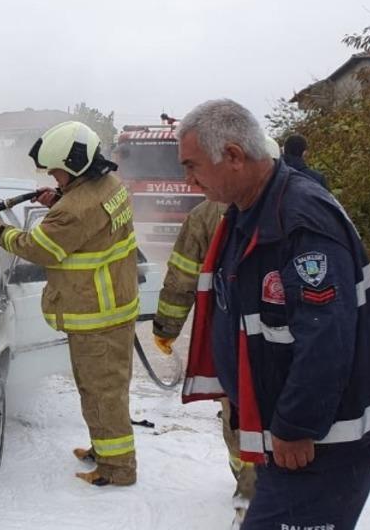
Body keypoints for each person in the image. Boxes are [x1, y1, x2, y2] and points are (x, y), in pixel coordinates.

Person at [176, 99, 370, 529]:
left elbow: (326, 337)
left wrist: (295, 426)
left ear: (233, 156)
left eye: (192, 166)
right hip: (291, 436)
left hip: (323, 441)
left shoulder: (301, 220)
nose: (188, 180)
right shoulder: (250, 213)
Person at [0, 121, 140, 487]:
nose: (54, 176)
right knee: (106, 388)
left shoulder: (75, 209)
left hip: (95, 314)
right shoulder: (109, 185)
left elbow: (39, 248)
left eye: (57, 172)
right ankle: (106, 449)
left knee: (101, 391)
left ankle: (117, 470)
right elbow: (89, 225)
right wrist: (60, 199)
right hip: (114, 305)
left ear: (76, 167)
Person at [151, 199, 257, 523]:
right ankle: (256, 486)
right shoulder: (294, 204)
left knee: (237, 411)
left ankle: (249, 487)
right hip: (278, 339)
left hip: (227, 335)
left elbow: (182, 275)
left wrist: (166, 327)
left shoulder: (205, 213)